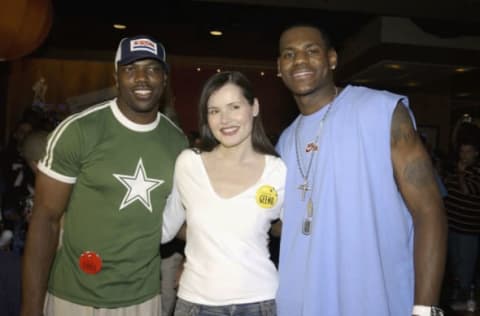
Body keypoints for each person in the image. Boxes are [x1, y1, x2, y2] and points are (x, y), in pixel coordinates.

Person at [275, 24, 447, 316]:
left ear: (332, 59)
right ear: (279, 67)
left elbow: (429, 210)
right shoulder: (284, 141)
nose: (299, 60)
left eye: (311, 50)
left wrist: (425, 309)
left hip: (375, 300)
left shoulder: (382, 111)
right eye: (289, 54)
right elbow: (284, 223)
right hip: (301, 303)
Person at [21, 35, 188, 316]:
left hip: (143, 298)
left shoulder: (177, 143)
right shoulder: (78, 131)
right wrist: (30, 307)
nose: (142, 78)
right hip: (73, 296)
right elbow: (45, 219)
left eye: (152, 68)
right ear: (116, 76)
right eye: (130, 69)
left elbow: (183, 218)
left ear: (165, 77)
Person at [162, 71, 286, 316]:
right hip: (195, 304)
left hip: (260, 302)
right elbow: (165, 229)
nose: (225, 119)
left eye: (234, 106)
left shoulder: (278, 170)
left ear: (254, 107)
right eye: (214, 111)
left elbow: (299, 236)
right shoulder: (189, 164)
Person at [444, 138, 480, 311]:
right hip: (452, 227)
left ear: (475, 153)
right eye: (462, 151)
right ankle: (457, 302)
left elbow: (467, 191)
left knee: (466, 269)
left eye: (467, 151)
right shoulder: (454, 171)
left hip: (468, 231)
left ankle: (466, 304)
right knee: (455, 267)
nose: (463, 155)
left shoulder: (477, 172)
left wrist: (460, 174)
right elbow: (446, 193)